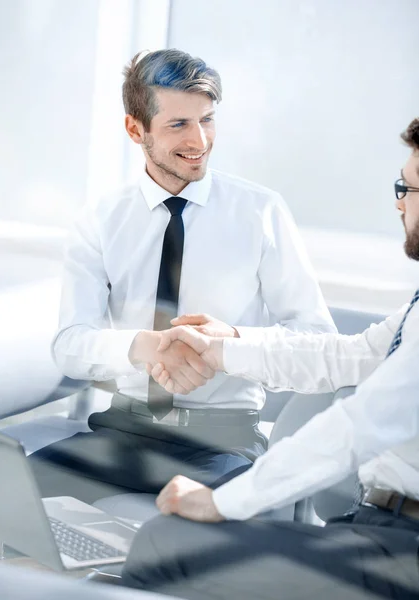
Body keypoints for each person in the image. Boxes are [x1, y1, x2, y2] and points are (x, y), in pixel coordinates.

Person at [121, 119, 419, 600]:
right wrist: (222, 346)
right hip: (377, 528)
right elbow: (347, 355)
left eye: (407, 187)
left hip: (402, 554)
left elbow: (359, 424)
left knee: (164, 544)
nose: (398, 201)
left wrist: (223, 502)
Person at [28, 49, 334, 503]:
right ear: (136, 129)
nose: (200, 140)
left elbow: (317, 340)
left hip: (223, 444)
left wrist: (225, 348)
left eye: (207, 120)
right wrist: (143, 347)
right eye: (179, 125)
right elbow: (70, 345)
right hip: (123, 432)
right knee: (9, 498)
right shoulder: (101, 219)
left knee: (182, 536)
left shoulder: (261, 211)